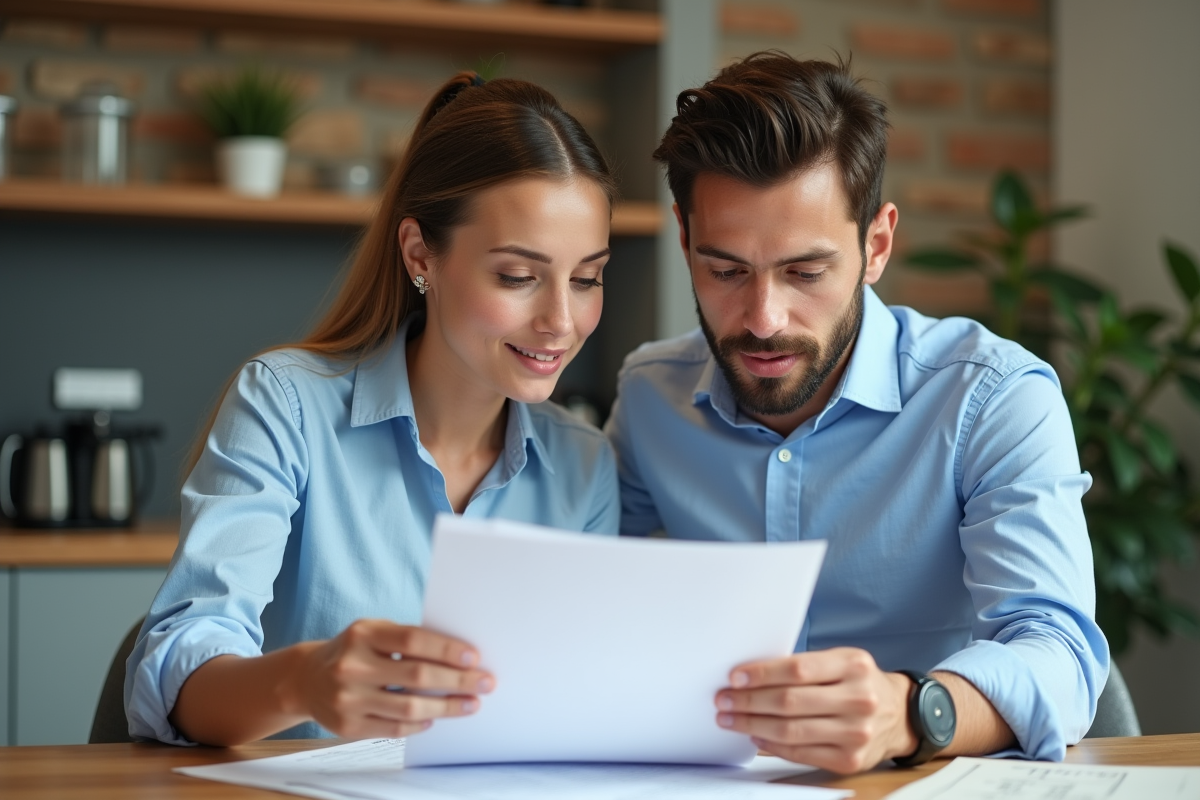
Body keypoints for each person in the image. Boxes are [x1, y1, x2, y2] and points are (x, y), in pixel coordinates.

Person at [605, 52, 1109, 774]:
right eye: (726, 270)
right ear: (683, 239)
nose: (764, 318)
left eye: (805, 272)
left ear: (875, 245)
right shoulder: (651, 397)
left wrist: (910, 711)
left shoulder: (994, 398)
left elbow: (1059, 652)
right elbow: (575, 599)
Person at [125, 73, 621, 746]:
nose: (562, 320)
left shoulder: (583, 466)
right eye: (517, 276)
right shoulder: (285, 405)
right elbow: (177, 670)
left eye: (588, 278)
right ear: (422, 255)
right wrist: (304, 681)